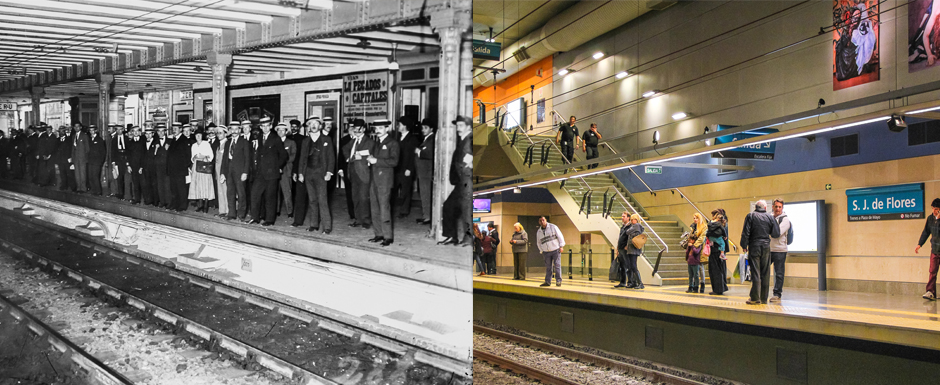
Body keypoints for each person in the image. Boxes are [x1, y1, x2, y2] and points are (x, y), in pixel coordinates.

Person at [296, 116, 335, 234]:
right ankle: (314, 224)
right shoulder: (305, 141)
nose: (313, 125)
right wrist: (300, 173)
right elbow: (302, 158)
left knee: (322, 200)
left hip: (321, 173)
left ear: (320, 126)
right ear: (308, 126)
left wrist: (329, 172)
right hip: (308, 173)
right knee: (312, 200)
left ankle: (327, 227)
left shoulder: (326, 139)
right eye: (310, 123)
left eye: (315, 123)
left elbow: (331, 157)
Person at [247, 116, 288, 226]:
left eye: (267, 126)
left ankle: (270, 220)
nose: (265, 128)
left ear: (271, 126)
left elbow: (284, 155)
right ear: (260, 127)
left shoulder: (275, 138)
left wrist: (278, 167)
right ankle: (255, 217)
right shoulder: (259, 138)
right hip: (260, 173)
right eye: (263, 126)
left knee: (270, 197)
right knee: (255, 194)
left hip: (271, 173)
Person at [740, 200, 781, 305]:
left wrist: (744, 246)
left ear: (755, 207)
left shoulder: (750, 216)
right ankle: (763, 298)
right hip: (766, 247)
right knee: (765, 273)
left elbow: (746, 232)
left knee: (756, 272)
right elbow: (776, 233)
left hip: (754, 246)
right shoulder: (770, 217)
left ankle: (754, 298)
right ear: (765, 208)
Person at [440, 116, 473, 245]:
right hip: (462, 182)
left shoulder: (469, 140)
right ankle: (452, 236)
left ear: (469, 127)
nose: (458, 128)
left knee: (466, 209)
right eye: (457, 126)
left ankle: (468, 238)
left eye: (461, 126)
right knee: (450, 206)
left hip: (466, 181)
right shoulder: (463, 140)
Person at [367, 119, 399, 246]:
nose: (377, 131)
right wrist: (370, 160)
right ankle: (378, 234)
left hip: (385, 181)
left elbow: (394, 162)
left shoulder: (393, 143)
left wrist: (376, 161)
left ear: (387, 129)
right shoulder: (376, 143)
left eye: (380, 128)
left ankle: (388, 236)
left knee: (384, 208)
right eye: (376, 128)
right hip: (374, 179)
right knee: (374, 208)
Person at [341, 119, 374, 229]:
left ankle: (366, 221)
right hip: (353, 173)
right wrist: (348, 159)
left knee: (364, 198)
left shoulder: (369, 141)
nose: (357, 131)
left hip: (363, 174)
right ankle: (357, 219)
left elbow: (370, 155)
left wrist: (361, 157)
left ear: (364, 129)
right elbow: (344, 148)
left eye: (359, 129)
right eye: (355, 129)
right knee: (355, 197)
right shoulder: (353, 141)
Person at [221, 123, 250, 221]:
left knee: (241, 194)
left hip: (240, 171)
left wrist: (245, 172)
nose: (234, 131)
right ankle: (232, 213)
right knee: (230, 193)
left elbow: (247, 158)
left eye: (236, 129)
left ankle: (241, 214)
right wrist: (222, 173)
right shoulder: (228, 142)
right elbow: (224, 159)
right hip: (229, 171)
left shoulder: (244, 141)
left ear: (239, 130)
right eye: (232, 129)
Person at [394, 117, 419, 218]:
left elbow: (413, 156)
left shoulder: (413, 139)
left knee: (406, 191)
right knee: (394, 189)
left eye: (399, 124)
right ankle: (394, 209)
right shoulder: (398, 137)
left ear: (405, 126)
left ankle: (404, 211)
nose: (398, 126)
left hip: (406, 170)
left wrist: (410, 169)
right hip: (397, 169)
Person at [916, 198, 940, 300]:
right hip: (935, 249)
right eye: (933, 208)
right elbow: (926, 232)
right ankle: (930, 291)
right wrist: (920, 244)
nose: (934, 211)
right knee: (932, 271)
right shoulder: (930, 219)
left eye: (936, 209)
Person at [188, 128, 216, 213]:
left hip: (204, 167)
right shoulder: (194, 146)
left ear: (202, 136)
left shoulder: (206, 144)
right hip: (196, 167)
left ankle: (206, 205)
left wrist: (203, 156)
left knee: (205, 186)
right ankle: (200, 204)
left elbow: (211, 156)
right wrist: (195, 157)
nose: (198, 137)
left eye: (200, 135)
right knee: (198, 186)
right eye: (197, 135)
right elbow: (192, 159)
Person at [167, 122, 192, 211]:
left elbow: (188, 156)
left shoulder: (184, 140)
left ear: (180, 129)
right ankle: (175, 204)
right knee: (174, 188)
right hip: (173, 169)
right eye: (173, 129)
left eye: (176, 129)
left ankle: (182, 206)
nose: (174, 131)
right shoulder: (174, 140)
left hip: (180, 170)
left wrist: (183, 167)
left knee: (181, 189)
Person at [770, 199, 791, 302]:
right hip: (769, 249)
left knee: (779, 273)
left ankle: (777, 294)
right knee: (763, 271)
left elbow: (777, 233)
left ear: (782, 208)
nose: (778, 209)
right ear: (773, 207)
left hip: (780, 250)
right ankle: (761, 292)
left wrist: (768, 229)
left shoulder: (785, 220)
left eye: (780, 207)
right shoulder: (769, 216)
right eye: (776, 206)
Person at [415, 118, 435, 225]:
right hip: (423, 173)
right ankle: (425, 215)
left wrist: (419, 152)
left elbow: (430, 154)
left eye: (426, 128)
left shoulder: (432, 140)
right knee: (424, 194)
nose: (423, 130)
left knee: (426, 194)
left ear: (431, 129)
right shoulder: (426, 139)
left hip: (426, 173)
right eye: (422, 128)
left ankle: (428, 217)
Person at [618, 213, 645, 289]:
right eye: (632, 219)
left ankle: (640, 283)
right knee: (632, 266)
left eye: (633, 219)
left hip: (633, 250)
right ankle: (634, 282)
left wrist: (630, 228)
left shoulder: (636, 226)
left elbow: (627, 232)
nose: (632, 221)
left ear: (636, 220)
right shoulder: (636, 227)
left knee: (633, 266)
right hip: (632, 249)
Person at [536, 216, 565, 287]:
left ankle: (558, 281)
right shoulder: (539, 231)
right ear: (539, 222)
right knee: (548, 267)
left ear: (545, 220)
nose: (542, 222)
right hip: (546, 251)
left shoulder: (553, 227)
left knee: (557, 265)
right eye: (540, 221)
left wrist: (561, 246)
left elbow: (560, 236)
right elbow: (538, 242)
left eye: (543, 220)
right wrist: (541, 250)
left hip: (555, 249)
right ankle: (547, 281)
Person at [275, 122, 296, 218]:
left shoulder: (291, 142)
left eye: (282, 130)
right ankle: (277, 210)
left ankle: (290, 211)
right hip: (275, 170)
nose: (280, 132)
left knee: (287, 192)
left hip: (286, 170)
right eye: (278, 130)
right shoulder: (274, 142)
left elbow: (293, 156)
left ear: (286, 131)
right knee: (275, 191)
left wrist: (282, 162)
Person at [706, 210, 728, 295]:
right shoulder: (721, 225)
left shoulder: (710, 225)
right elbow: (724, 235)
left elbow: (708, 234)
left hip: (714, 249)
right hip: (720, 249)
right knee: (720, 269)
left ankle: (717, 289)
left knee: (714, 269)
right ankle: (721, 287)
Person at [686, 213, 706, 293]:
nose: (695, 220)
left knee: (700, 267)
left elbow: (702, 238)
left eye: (696, 218)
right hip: (693, 249)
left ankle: (702, 284)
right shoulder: (693, 227)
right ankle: (694, 285)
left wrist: (694, 245)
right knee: (694, 271)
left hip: (699, 248)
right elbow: (691, 237)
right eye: (694, 218)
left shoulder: (704, 227)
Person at [71, 122, 91, 193]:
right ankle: (78, 188)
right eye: (75, 127)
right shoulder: (73, 136)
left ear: (80, 127)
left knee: (82, 174)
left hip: (82, 158)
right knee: (77, 174)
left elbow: (87, 148)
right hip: (76, 158)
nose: (76, 128)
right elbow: (73, 148)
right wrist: (72, 158)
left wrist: (85, 158)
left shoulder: (84, 136)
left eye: (78, 126)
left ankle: (83, 188)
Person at [87, 125, 107, 196]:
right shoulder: (89, 139)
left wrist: (101, 162)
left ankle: (98, 191)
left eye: (92, 130)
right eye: (90, 130)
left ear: (96, 131)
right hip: (90, 161)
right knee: (90, 176)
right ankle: (93, 190)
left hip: (97, 162)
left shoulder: (99, 140)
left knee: (95, 176)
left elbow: (103, 152)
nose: (91, 132)